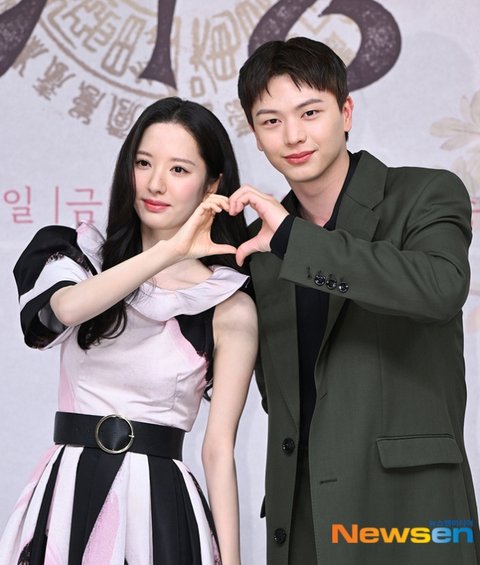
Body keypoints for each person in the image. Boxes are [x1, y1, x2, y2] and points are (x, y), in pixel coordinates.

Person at [228, 36, 480, 565]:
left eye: (310, 112)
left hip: (413, 518)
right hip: (303, 522)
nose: (293, 135)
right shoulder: (260, 249)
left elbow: (440, 288)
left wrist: (294, 241)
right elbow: (280, 396)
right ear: (255, 134)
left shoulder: (425, 195)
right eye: (271, 121)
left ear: (345, 112)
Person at [0, 97, 257, 565]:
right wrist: (168, 252)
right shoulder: (79, 258)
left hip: (159, 505)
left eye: (179, 169)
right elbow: (64, 309)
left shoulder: (229, 304)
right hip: (69, 493)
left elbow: (219, 449)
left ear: (212, 185)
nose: (156, 183)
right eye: (143, 163)